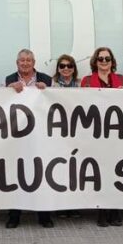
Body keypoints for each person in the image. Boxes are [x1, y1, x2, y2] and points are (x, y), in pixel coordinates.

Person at [4, 49, 54, 229]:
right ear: (17, 63)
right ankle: (14, 215)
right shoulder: (9, 79)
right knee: (16, 172)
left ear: (34, 62)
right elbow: (2, 101)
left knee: (42, 172)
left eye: (28, 60)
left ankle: (44, 215)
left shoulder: (46, 79)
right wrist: (8, 90)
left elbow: (53, 101)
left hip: (40, 133)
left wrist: (46, 91)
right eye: (22, 60)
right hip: (17, 133)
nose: (25, 63)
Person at [81, 47, 123, 227]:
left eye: (107, 58)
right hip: (95, 132)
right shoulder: (86, 81)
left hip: (116, 133)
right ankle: (101, 210)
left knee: (116, 170)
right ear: (95, 61)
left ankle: (114, 210)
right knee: (99, 172)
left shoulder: (121, 80)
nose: (104, 61)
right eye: (100, 59)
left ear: (112, 61)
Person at [51, 54, 82, 219]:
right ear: (58, 68)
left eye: (69, 66)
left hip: (77, 131)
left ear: (74, 68)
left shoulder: (80, 84)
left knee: (76, 169)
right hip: (58, 132)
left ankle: (74, 205)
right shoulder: (51, 84)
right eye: (62, 66)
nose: (66, 69)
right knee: (60, 169)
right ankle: (61, 206)